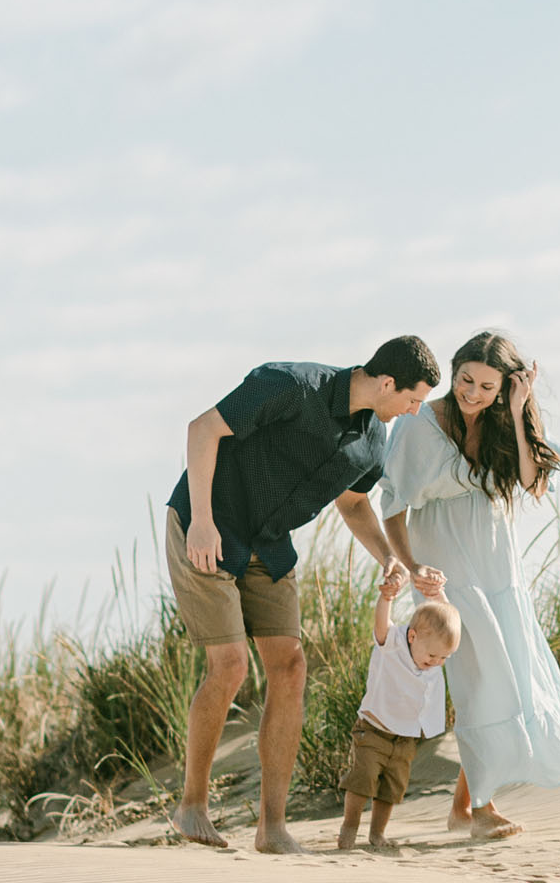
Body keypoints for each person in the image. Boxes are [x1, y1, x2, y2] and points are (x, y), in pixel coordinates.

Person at [166, 337, 441, 853]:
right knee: (229, 666)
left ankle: (272, 828)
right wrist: (201, 521)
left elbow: (354, 504)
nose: (414, 409)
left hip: (268, 546)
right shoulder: (291, 385)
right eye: (413, 399)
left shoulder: (372, 441)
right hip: (210, 525)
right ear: (387, 384)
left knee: (290, 666)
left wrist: (389, 558)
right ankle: (192, 806)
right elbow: (203, 429)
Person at [377, 330, 560, 838]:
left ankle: (466, 808)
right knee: (478, 683)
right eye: (466, 380)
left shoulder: (500, 425)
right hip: (448, 573)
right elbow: (393, 506)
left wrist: (515, 411)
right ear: (454, 372)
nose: (472, 393)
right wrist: (410, 565)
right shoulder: (420, 425)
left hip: (498, 570)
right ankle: (476, 810)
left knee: (501, 682)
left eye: (488, 387)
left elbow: (534, 483)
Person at [338, 567, 461, 851]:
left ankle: (377, 834)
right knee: (362, 780)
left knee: (391, 789)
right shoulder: (392, 643)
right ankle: (349, 828)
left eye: (445, 657)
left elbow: (447, 619)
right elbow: (381, 625)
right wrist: (387, 598)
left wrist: (437, 594)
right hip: (374, 730)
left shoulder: (433, 654)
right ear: (412, 637)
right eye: (433, 656)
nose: (437, 663)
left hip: (405, 737)